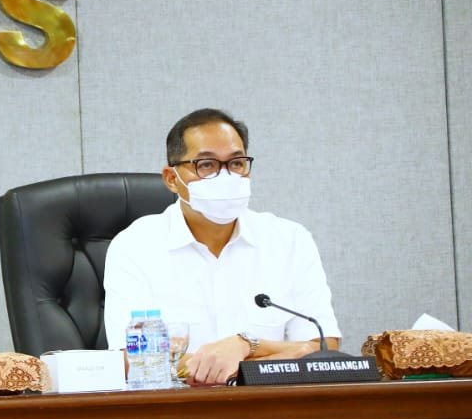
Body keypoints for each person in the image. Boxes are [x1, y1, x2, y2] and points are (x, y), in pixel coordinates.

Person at [103, 108, 340, 386]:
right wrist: (256, 363)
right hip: (176, 406)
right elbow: (131, 360)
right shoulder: (135, 246)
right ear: (172, 179)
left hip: (270, 405)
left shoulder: (290, 240)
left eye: (236, 163)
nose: (226, 176)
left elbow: (322, 347)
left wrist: (245, 345)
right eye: (206, 165)